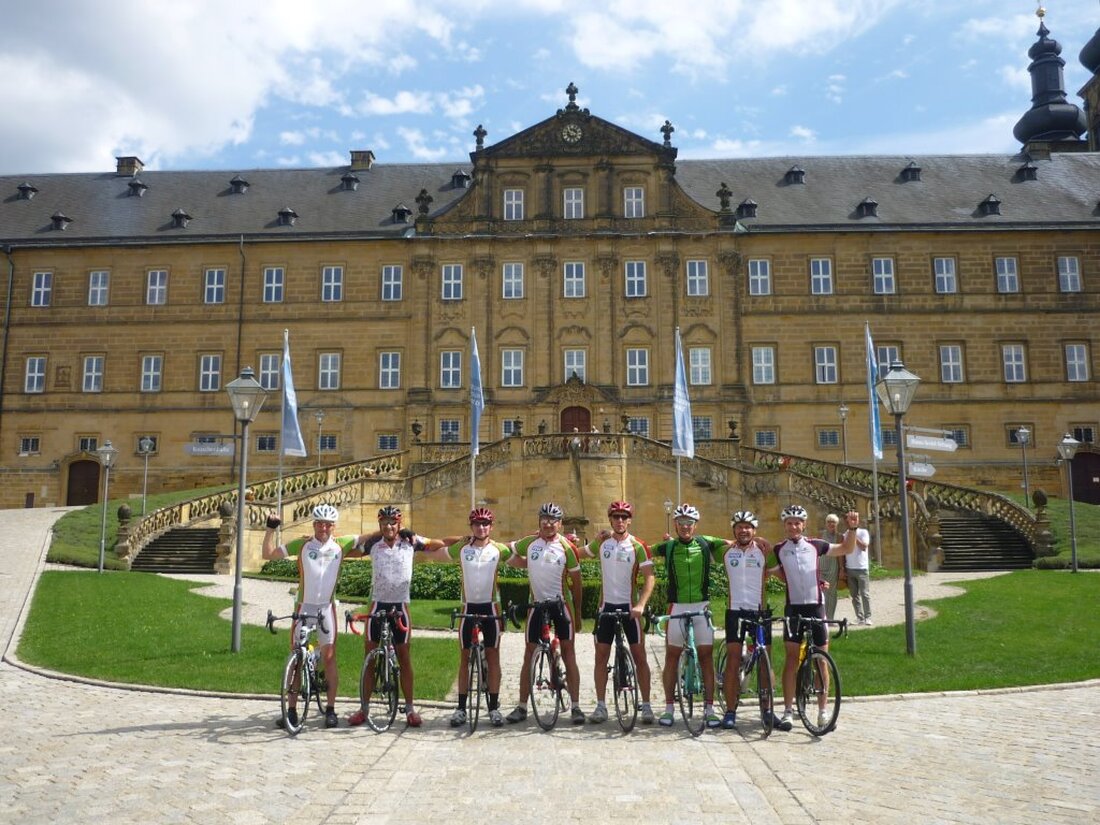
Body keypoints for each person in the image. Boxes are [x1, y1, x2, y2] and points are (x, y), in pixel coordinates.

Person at [261, 503, 359, 730]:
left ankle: (331, 710)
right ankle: (292, 711)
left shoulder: (341, 544)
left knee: (330, 657)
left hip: (326, 609)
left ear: (334, 526)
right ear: (314, 524)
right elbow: (268, 554)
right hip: (304, 607)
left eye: (328, 524)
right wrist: (269, 529)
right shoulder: (303, 544)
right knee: (297, 658)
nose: (323, 528)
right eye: (319, 523)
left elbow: (372, 537)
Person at [347, 505, 445, 728]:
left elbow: (436, 545)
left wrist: (415, 534)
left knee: (404, 657)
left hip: (400, 607)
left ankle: (410, 709)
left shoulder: (409, 542)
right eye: (384, 523)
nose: (388, 526)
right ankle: (364, 708)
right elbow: (348, 551)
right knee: (369, 658)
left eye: (393, 522)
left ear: (399, 524)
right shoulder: (374, 544)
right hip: (377, 605)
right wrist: (372, 535)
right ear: (380, 524)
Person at [419, 507, 512, 728]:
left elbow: (523, 555)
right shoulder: (462, 548)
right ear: (471, 526)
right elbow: (438, 548)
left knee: (493, 656)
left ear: (491, 526)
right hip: (467, 607)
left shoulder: (499, 549)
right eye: (477, 524)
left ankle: (493, 708)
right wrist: (416, 544)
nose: (481, 527)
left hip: (491, 609)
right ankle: (461, 708)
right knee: (464, 658)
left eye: (485, 524)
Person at [770, 504, 858, 732]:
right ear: (784, 525)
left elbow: (846, 549)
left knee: (822, 658)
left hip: (816, 607)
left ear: (804, 524)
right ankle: (788, 711)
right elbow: (774, 570)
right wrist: (786, 579)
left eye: (797, 522)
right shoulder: (779, 549)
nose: (793, 526)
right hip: (794, 609)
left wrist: (853, 528)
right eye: (789, 523)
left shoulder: (815, 545)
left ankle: (822, 711)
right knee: (791, 660)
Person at [504, 501, 586, 725]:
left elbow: (577, 583)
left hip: (561, 606)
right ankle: (521, 706)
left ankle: (576, 707)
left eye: (553, 520)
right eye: (545, 519)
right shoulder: (530, 542)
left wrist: (578, 613)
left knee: (569, 654)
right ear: (539, 521)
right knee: (528, 655)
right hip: (537, 605)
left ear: (560, 524)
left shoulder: (568, 548)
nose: (548, 524)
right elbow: (505, 549)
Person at [649, 503, 727, 729]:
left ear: (695, 525)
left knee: (705, 657)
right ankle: (669, 707)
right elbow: (642, 550)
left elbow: (732, 544)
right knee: (672, 656)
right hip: (677, 606)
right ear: (675, 524)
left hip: (702, 605)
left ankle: (710, 708)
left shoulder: (706, 543)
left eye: (689, 523)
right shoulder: (669, 546)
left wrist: (758, 542)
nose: (685, 527)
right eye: (681, 523)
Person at [583, 500, 656, 725]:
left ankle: (646, 706)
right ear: (610, 519)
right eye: (616, 517)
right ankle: (601, 705)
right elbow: (575, 555)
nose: (620, 521)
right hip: (606, 607)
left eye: (624, 517)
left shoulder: (638, 545)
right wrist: (586, 542)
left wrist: (641, 605)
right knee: (601, 656)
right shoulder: (602, 542)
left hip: (629, 608)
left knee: (639, 656)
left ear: (630, 520)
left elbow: (650, 577)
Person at [719, 510, 776, 729]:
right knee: (733, 662)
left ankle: (768, 710)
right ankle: (730, 711)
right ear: (734, 529)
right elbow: (703, 541)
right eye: (740, 526)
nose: (744, 530)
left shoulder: (763, 550)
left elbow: (782, 570)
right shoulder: (726, 551)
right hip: (735, 612)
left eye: (748, 527)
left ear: (755, 530)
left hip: (760, 612)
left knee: (765, 661)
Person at [844, 511, 873, 625]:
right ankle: (859, 617)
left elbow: (864, 546)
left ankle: (868, 617)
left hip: (862, 568)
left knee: (865, 594)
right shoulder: (845, 534)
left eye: (853, 519)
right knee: (854, 595)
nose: (851, 521)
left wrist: (853, 534)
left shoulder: (863, 532)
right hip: (850, 568)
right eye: (849, 520)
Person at [819, 514, 842, 621]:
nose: (831, 524)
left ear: (837, 524)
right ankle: (823, 617)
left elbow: (841, 554)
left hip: (833, 565)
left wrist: (842, 569)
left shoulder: (839, 537)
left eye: (833, 522)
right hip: (821, 564)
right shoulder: (819, 535)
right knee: (821, 592)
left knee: (832, 593)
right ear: (826, 523)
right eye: (829, 522)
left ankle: (830, 618)